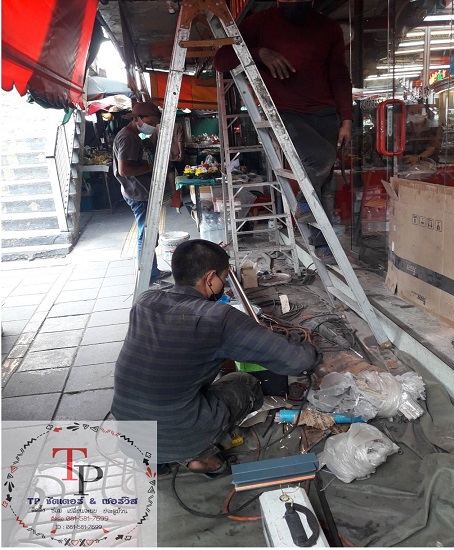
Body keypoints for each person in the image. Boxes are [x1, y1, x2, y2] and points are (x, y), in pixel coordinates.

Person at [111, 239, 322, 476]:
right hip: (178, 435)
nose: (224, 284)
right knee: (246, 383)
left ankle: (156, 459)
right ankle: (200, 457)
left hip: (129, 432)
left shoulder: (145, 301)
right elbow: (297, 361)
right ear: (210, 278)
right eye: (224, 277)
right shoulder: (217, 317)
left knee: (171, 390)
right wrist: (310, 350)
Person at [214, 0, 353, 261]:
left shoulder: (328, 28)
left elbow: (339, 75)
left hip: (325, 113)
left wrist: (346, 118)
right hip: (284, 112)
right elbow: (221, 60)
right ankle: (304, 204)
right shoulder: (259, 23)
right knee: (320, 159)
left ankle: (322, 244)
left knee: (325, 182)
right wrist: (259, 53)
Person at [113, 101, 171, 285]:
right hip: (137, 192)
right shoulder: (128, 138)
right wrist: (151, 167)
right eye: (151, 123)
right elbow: (124, 170)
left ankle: (152, 272)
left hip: (138, 190)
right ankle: (148, 278)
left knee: (149, 234)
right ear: (137, 119)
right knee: (146, 236)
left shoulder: (133, 136)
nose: (152, 127)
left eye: (155, 124)